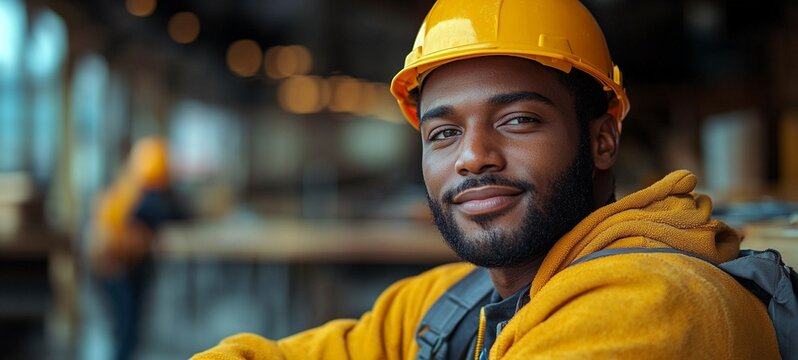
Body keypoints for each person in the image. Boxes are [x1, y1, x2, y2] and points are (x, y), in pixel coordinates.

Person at [193, 0, 780, 358]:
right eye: (443, 133)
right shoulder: (455, 301)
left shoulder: (653, 305)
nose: (473, 157)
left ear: (603, 139)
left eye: (518, 120)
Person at [90, 137, 187, 360]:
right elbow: (178, 213)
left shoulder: (127, 185)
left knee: (124, 331)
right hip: (117, 267)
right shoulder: (147, 196)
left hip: (119, 266)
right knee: (127, 331)